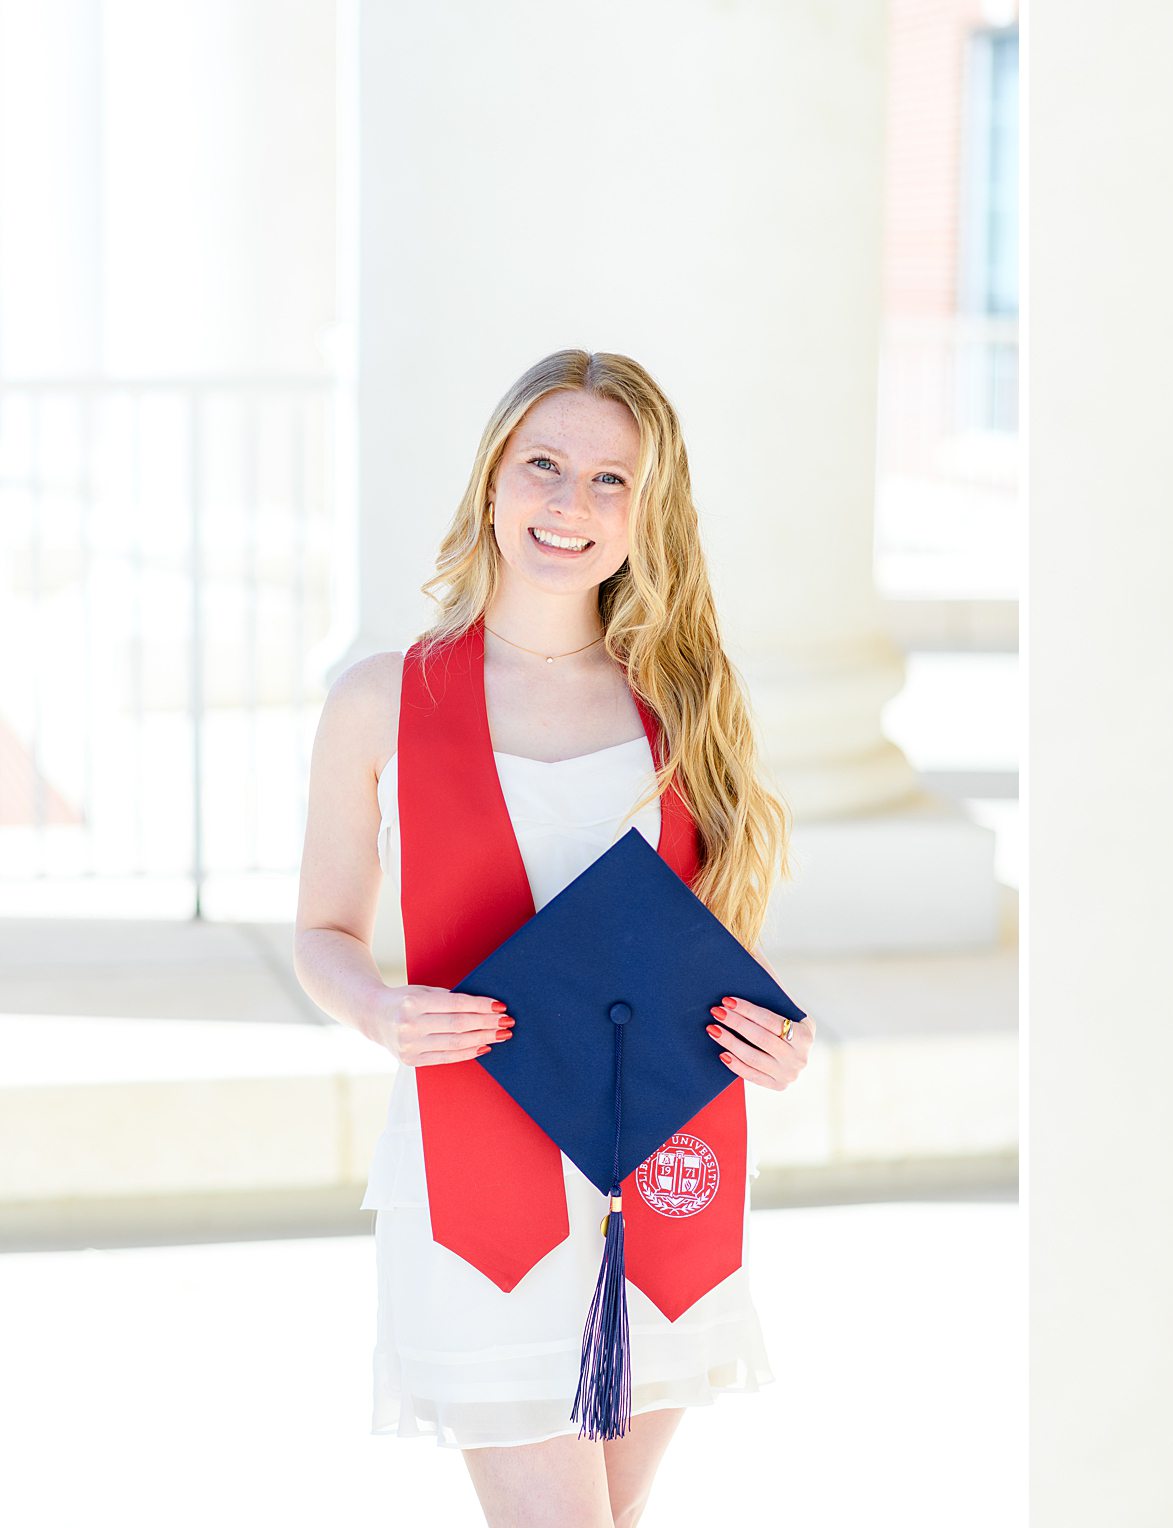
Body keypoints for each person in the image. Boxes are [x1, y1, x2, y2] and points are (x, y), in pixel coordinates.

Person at [293, 348, 815, 1527]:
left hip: (663, 1173)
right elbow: (323, 928)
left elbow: (710, 940)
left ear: (647, 515)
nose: (568, 503)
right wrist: (379, 1009)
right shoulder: (383, 699)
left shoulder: (680, 697)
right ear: (491, 483)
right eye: (543, 465)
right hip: (481, 1176)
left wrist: (777, 1031)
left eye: (609, 480)